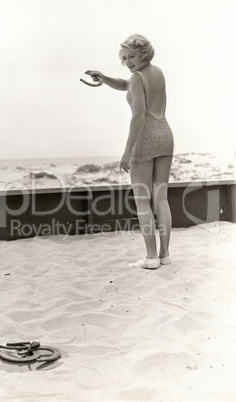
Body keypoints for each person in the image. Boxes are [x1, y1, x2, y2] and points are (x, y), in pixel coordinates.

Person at [85, 34, 174, 269]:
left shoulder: (137, 77)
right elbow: (125, 84)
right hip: (165, 133)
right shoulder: (157, 72)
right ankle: (164, 255)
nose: (128, 62)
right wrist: (104, 78)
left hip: (145, 137)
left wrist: (127, 151)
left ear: (144, 52)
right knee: (161, 199)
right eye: (124, 58)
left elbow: (137, 116)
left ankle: (151, 257)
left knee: (142, 201)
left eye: (131, 56)